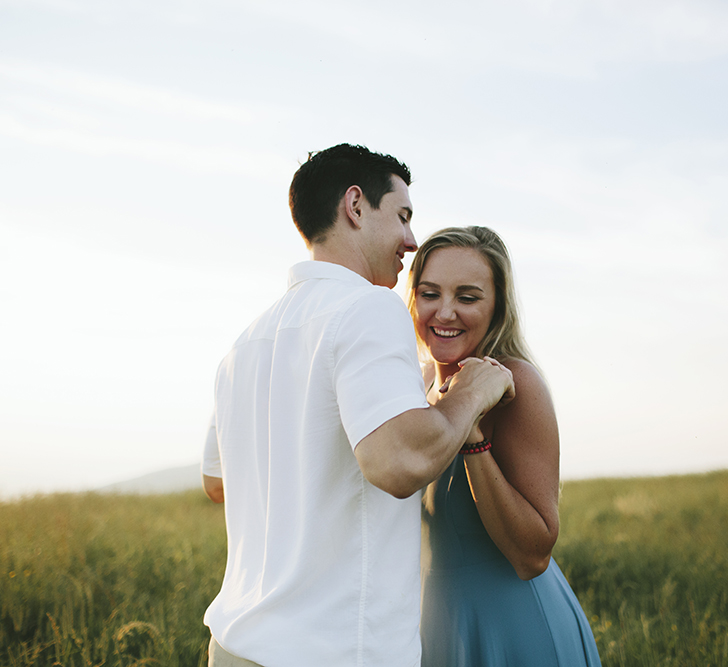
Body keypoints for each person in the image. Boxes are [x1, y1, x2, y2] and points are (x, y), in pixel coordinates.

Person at [201, 145, 515, 667]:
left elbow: (218, 483)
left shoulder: (247, 342)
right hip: (335, 653)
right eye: (403, 216)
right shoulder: (368, 307)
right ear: (355, 205)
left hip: (233, 647)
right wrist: (473, 392)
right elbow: (398, 463)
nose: (412, 241)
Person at [408, 226, 602, 666]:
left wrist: (471, 433)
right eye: (430, 293)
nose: (445, 311)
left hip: (514, 626)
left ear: (497, 306)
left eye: (468, 297)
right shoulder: (411, 383)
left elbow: (533, 554)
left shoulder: (518, 384)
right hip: (432, 626)